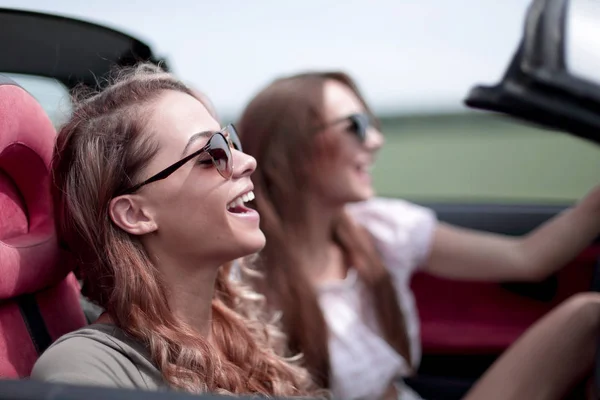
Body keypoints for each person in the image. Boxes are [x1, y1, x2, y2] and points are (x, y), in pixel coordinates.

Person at [236, 71, 600, 400]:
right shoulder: (244, 280)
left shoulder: (382, 230)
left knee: (589, 315)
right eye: (356, 125)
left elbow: (527, 258)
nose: (376, 140)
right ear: (292, 150)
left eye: (372, 123)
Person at [31, 63, 322, 398]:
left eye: (231, 142)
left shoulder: (240, 331)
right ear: (135, 213)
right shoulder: (89, 368)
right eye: (212, 154)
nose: (246, 160)